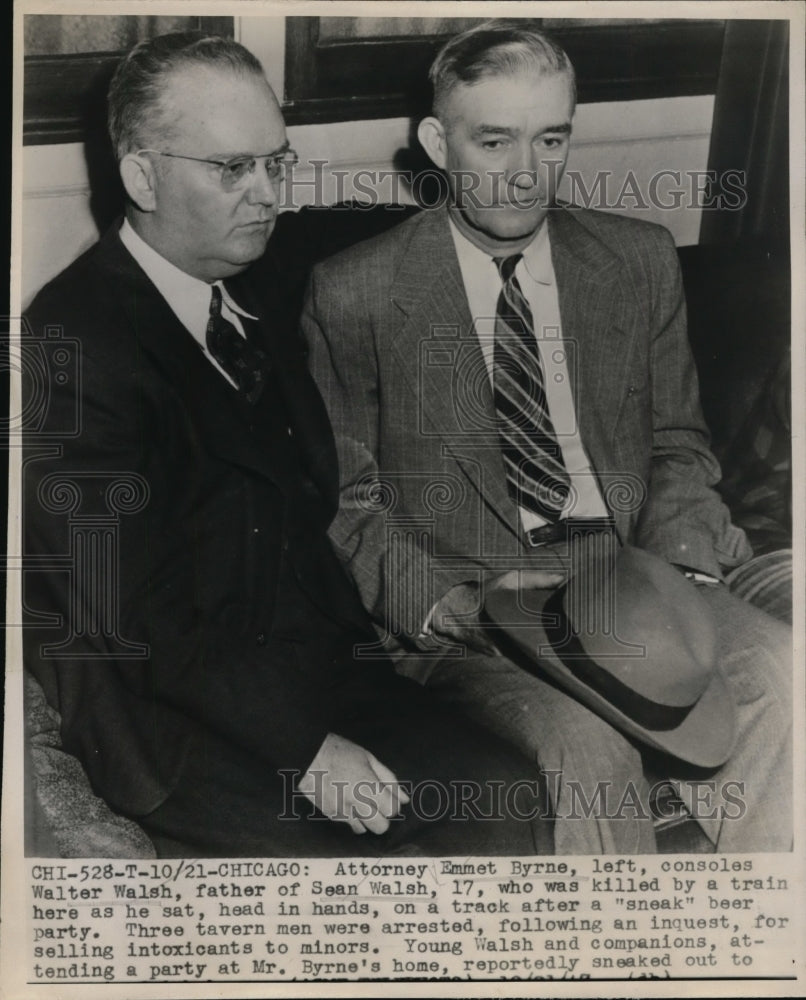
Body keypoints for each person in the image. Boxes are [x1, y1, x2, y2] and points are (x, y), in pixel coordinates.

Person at [22, 30, 553, 858]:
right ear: (139, 175)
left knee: (504, 795)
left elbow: (389, 229)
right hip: (175, 712)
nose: (268, 193)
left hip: (323, 672)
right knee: (360, 862)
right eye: (233, 168)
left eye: (279, 161)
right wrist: (305, 751)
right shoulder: (71, 343)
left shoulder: (260, 281)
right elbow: (130, 611)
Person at [303, 20, 792, 853]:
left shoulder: (636, 261)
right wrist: (459, 608)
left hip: (626, 580)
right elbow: (353, 505)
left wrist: (676, 573)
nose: (526, 175)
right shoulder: (356, 292)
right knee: (584, 751)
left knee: (786, 680)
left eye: (551, 138)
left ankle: (755, 955)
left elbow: (678, 444)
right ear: (435, 141)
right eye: (493, 141)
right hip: (479, 607)